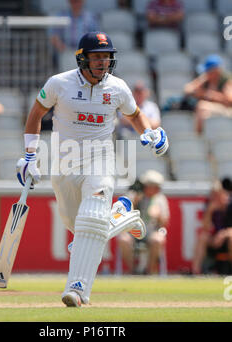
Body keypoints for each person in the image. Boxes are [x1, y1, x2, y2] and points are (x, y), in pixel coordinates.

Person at [16, 31, 169, 307]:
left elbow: (135, 114)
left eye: (106, 56)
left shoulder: (118, 88)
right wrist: (29, 156)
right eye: (96, 57)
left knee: (91, 222)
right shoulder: (58, 84)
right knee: (80, 227)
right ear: (82, 59)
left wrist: (150, 132)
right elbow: (36, 113)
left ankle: (77, 289)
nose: (102, 62)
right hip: (64, 162)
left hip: (100, 160)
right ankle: (121, 217)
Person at [117, 170, 170, 274]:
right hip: (132, 230)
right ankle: (133, 271)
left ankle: (148, 272)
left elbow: (165, 223)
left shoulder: (160, 199)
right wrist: (135, 203)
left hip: (151, 231)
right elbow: (121, 216)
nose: (157, 189)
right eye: (154, 186)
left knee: (158, 240)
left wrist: (158, 215)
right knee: (123, 239)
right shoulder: (133, 196)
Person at [184, 55, 232, 134]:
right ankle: (203, 140)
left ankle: (198, 137)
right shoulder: (206, 79)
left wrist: (211, 95)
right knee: (203, 114)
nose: (206, 73)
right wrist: (201, 80)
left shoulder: (226, 80)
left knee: (202, 106)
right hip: (214, 109)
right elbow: (187, 89)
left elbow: (230, 100)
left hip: (228, 110)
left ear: (216, 71)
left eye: (208, 71)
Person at [192, 179, 232, 275]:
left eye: (218, 195)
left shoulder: (230, 206)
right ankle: (195, 271)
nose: (215, 198)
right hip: (215, 239)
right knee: (202, 237)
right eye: (213, 195)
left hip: (228, 237)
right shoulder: (210, 205)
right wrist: (209, 211)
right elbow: (205, 227)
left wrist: (223, 234)